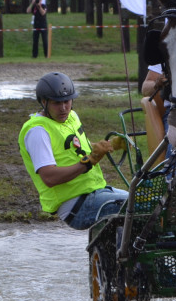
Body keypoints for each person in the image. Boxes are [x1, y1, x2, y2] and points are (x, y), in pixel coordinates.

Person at [18, 72, 128, 230]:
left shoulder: (71, 117)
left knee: (146, 201)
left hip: (96, 192)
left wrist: (113, 145)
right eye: (57, 103)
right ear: (44, 102)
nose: (63, 108)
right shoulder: (37, 131)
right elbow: (49, 177)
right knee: (137, 205)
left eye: (67, 101)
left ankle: (118, 250)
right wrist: (87, 163)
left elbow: (79, 149)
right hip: (76, 207)